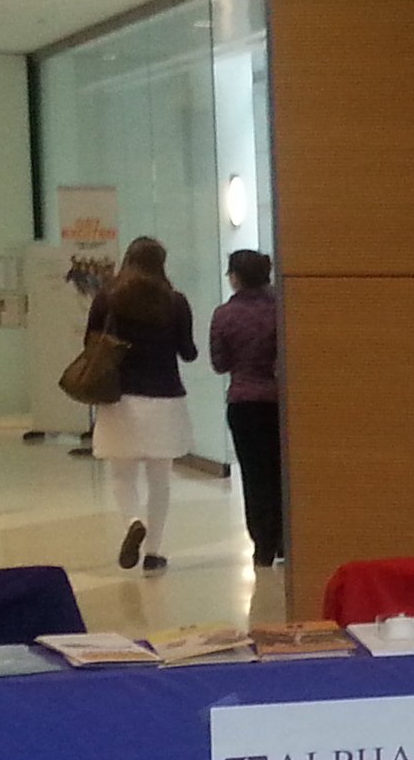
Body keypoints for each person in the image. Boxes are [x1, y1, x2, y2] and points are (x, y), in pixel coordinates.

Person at [86, 236, 197, 574]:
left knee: (122, 476)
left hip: (120, 398)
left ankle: (133, 521)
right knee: (160, 481)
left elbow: (90, 342)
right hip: (165, 398)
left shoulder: (107, 298)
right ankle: (154, 553)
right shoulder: (175, 302)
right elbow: (188, 352)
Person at [210, 248, 285, 568]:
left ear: (235, 277)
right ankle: (286, 539)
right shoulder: (282, 309)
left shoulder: (224, 315)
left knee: (254, 476)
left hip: (244, 403)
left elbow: (219, 363)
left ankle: (263, 544)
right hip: (281, 402)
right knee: (282, 472)